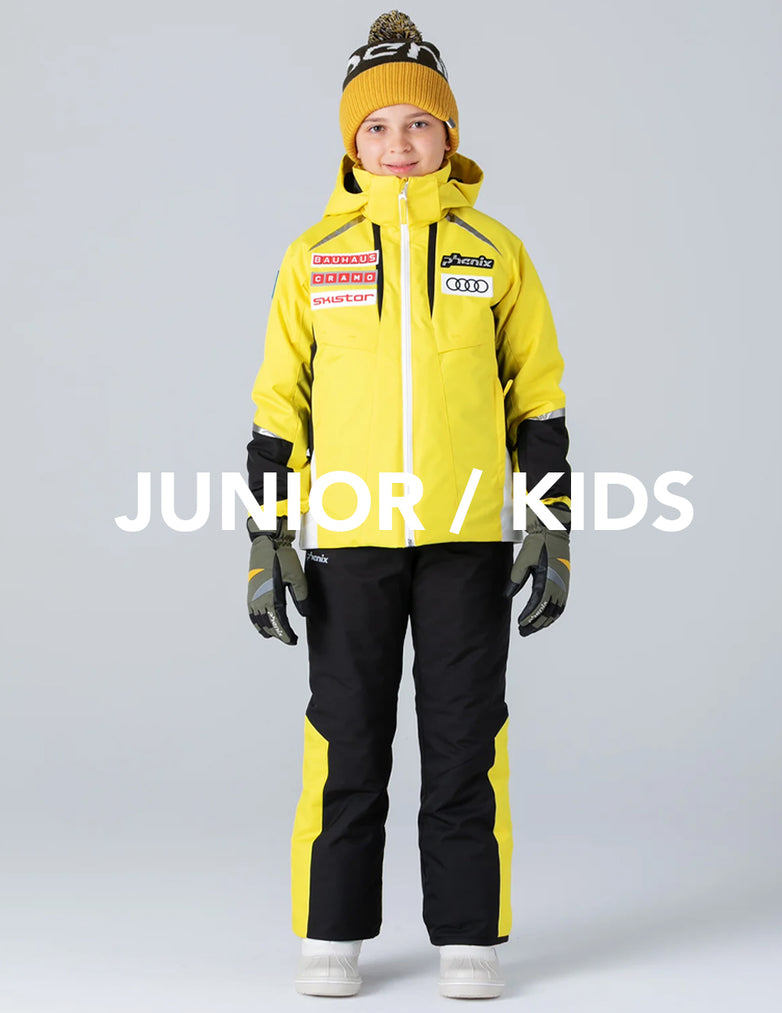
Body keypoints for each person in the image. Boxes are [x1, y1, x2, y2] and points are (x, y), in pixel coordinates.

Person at [244, 10, 571, 999]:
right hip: (350, 538)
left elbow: (539, 399)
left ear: (448, 135)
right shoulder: (312, 255)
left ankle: (469, 936)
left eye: (419, 124)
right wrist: (270, 534)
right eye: (378, 126)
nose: (399, 144)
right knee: (345, 738)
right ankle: (330, 932)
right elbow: (278, 409)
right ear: (353, 141)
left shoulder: (495, 251)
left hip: (467, 536)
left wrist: (549, 522)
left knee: (466, 737)